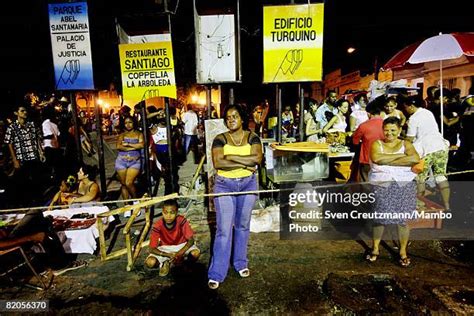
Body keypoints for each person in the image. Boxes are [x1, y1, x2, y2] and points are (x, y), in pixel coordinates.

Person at [208, 104, 263, 290]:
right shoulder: (220, 139)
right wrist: (244, 162)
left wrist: (231, 158)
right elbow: (218, 162)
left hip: (248, 183)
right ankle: (217, 272)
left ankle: (240, 263)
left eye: (235, 116)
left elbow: (257, 159)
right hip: (224, 185)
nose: (230, 120)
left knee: (242, 225)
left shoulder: (253, 137)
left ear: (242, 118)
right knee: (224, 229)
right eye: (228, 117)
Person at [367, 117, 420, 267]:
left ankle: (403, 251)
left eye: (393, 130)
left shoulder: (406, 144)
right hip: (382, 185)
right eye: (386, 130)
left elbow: (415, 158)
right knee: (379, 218)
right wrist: (403, 158)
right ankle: (375, 248)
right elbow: (377, 159)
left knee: (402, 220)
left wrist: (387, 160)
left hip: (404, 185)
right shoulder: (377, 144)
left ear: (399, 130)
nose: (389, 133)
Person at [403, 96, 451, 211]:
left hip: (426, 150)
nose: (406, 110)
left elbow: (410, 138)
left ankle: (420, 205)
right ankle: (447, 205)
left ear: (411, 106)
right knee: (440, 177)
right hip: (440, 147)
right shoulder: (428, 112)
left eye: (406, 107)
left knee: (420, 178)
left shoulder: (413, 118)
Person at [145, 199, 200, 277]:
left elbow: (191, 240)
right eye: (165, 213)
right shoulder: (158, 225)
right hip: (165, 248)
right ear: (162, 212)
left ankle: (183, 262)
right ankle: (165, 262)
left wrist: (179, 253)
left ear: (177, 213)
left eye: (172, 213)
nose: (168, 216)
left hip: (181, 245)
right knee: (150, 262)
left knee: (195, 253)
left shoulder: (181, 220)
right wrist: (167, 254)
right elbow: (151, 248)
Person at [4, 105, 44, 206]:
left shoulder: (32, 125)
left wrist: (41, 152)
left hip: (34, 157)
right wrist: (14, 159)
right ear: (16, 113)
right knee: (24, 182)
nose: (25, 113)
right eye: (22, 111)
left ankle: (37, 202)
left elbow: (38, 139)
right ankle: (26, 203)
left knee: (37, 180)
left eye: (25, 111)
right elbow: (9, 143)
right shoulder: (12, 127)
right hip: (22, 159)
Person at [352, 100, 385, 182]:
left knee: (365, 181)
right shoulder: (387, 125)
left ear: (368, 113)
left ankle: (367, 195)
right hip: (384, 158)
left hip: (367, 158)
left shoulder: (363, 126)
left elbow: (355, 141)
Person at [115, 116, 144, 201]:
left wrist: (127, 144)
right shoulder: (122, 134)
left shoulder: (139, 134)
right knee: (123, 184)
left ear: (134, 123)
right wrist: (135, 147)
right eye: (126, 123)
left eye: (130, 122)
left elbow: (142, 145)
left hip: (135, 162)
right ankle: (126, 205)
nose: (128, 125)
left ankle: (135, 200)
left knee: (129, 183)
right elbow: (118, 146)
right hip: (121, 161)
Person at [42, 105, 62, 181]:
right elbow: (58, 134)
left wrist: (42, 138)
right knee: (56, 166)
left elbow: (49, 134)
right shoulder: (54, 124)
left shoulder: (45, 123)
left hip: (49, 146)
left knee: (50, 166)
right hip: (56, 146)